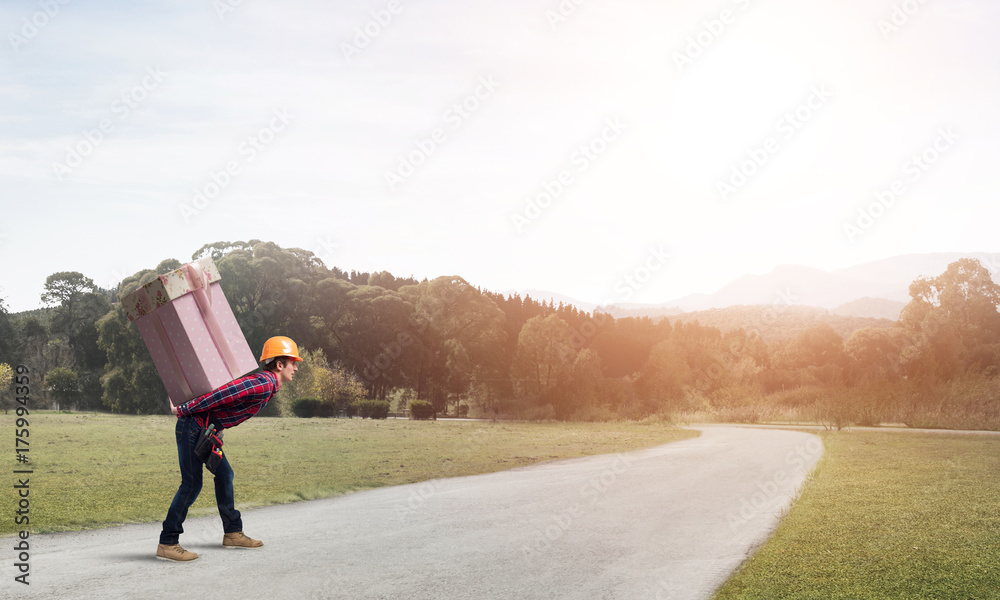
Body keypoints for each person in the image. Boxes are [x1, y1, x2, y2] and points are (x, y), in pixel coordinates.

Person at [155, 336, 302, 562]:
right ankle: (168, 542)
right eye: (293, 362)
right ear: (280, 365)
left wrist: (218, 429)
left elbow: (228, 406)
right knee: (191, 484)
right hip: (193, 425)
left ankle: (232, 532)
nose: (297, 367)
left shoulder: (269, 386)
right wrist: (183, 409)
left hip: (205, 430)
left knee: (225, 474)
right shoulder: (263, 382)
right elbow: (222, 394)